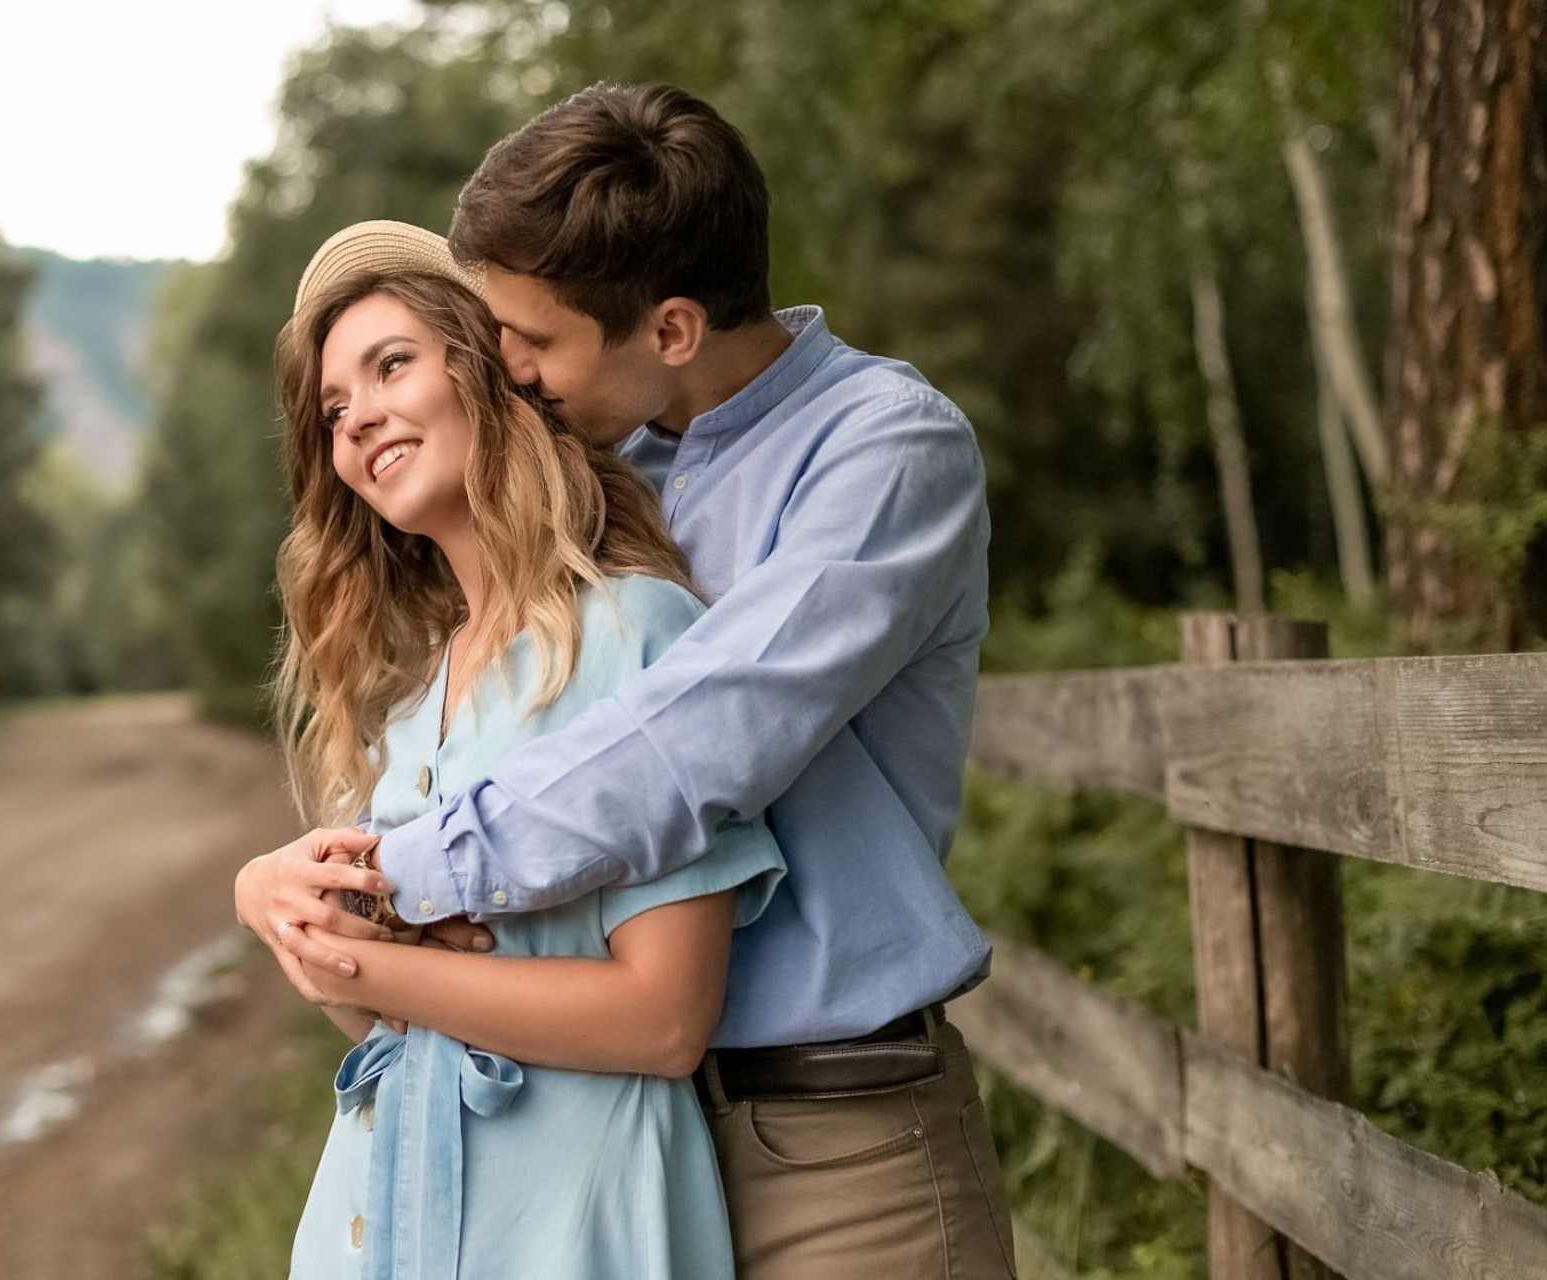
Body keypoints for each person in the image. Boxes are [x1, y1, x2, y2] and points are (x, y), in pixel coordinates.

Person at [239, 83, 1018, 1277]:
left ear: (671, 329)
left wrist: (403, 873)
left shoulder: (882, 448)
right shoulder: (613, 480)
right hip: (623, 1134)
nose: (510, 369)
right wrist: (292, 891)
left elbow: (706, 732)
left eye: (532, 341)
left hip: (833, 1134)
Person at [264, 223, 784, 1279]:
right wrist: (270, 899)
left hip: (569, 1227)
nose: (357, 416)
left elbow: (663, 1019)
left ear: (488, 370)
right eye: (332, 409)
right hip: (379, 1220)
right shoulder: (414, 706)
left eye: (391, 364)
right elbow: (383, 1019)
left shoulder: (634, 632)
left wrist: (361, 959)